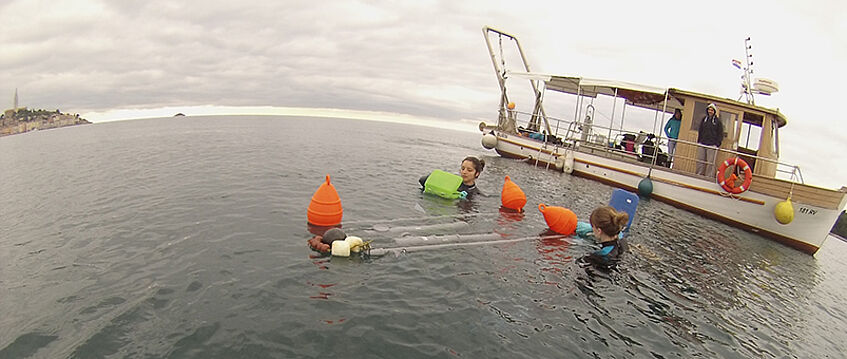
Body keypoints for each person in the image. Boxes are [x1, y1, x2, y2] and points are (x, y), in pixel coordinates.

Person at [419, 156, 486, 198]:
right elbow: (422, 180)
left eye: (469, 170)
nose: (464, 172)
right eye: (463, 169)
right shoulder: (451, 182)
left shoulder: (477, 194)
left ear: (477, 173)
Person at [696, 103, 724, 176]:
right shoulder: (704, 120)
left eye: (712, 110)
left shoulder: (717, 122)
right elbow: (700, 130)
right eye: (709, 109)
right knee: (700, 161)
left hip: (712, 145)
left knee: (710, 163)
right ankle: (698, 175)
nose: (710, 111)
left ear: (714, 111)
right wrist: (699, 141)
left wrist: (717, 144)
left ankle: (709, 176)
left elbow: (720, 133)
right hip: (702, 143)